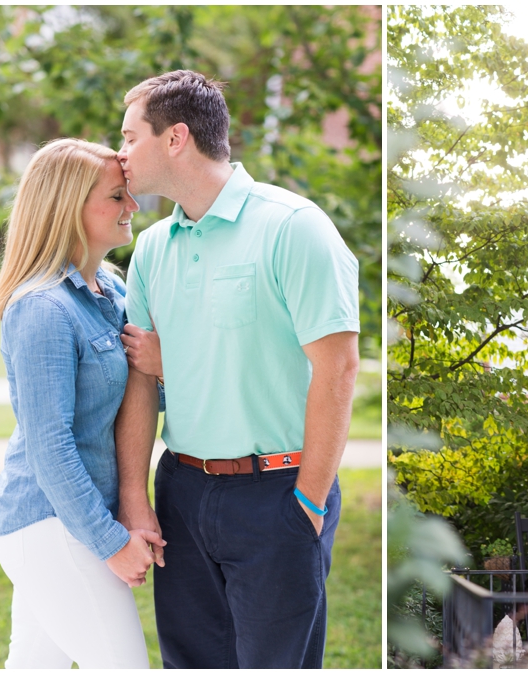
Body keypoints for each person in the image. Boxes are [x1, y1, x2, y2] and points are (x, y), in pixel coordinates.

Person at [114, 70, 360, 669]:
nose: (119, 155)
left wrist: (309, 501)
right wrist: (135, 496)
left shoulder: (292, 227)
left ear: (175, 139)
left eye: (128, 137)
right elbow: (141, 378)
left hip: (279, 493)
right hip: (182, 491)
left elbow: (339, 367)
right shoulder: (151, 247)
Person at [0, 138, 165, 668]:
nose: (132, 206)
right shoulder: (42, 309)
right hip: (49, 526)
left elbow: (144, 391)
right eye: (116, 196)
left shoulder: (110, 289)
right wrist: (111, 541)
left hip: (71, 523)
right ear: (69, 207)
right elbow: (50, 448)